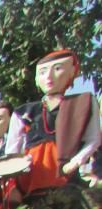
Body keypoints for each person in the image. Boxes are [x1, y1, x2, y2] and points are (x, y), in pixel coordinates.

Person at [6, 50, 101, 196]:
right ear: (37, 78)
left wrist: (75, 162)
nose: (49, 77)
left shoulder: (83, 103)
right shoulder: (23, 112)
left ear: (73, 72)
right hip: (31, 179)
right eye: (43, 72)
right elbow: (12, 151)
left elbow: (93, 139)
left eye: (57, 68)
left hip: (67, 177)